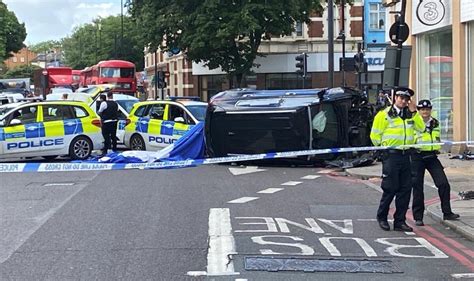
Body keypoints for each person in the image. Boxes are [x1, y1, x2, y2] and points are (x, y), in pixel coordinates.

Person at [370, 88, 425, 232]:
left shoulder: (411, 115)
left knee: (405, 189)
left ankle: (399, 221)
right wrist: (384, 149)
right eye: (401, 97)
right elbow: (375, 135)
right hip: (391, 156)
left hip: (406, 155)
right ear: (395, 98)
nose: (404, 101)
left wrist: (415, 112)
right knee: (390, 188)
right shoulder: (384, 115)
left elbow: (421, 128)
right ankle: (382, 217)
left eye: (406, 99)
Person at [411, 99, 460, 226]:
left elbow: (436, 138)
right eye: (422, 109)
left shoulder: (435, 122)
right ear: (418, 110)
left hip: (432, 157)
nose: (425, 112)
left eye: (427, 109)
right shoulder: (413, 122)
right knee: (417, 187)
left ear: (430, 110)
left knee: (443, 184)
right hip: (417, 156)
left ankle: (447, 212)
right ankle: (418, 217)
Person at [97, 91, 119, 155]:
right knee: (113, 136)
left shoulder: (104, 103)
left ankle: (105, 150)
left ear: (107, 96)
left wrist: (101, 116)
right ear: (112, 96)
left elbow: (99, 112)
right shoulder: (116, 103)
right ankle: (114, 149)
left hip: (106, 122)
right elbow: (117, 111)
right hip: (114, 122)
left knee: (106, 136)